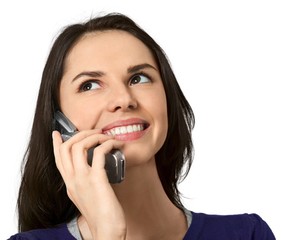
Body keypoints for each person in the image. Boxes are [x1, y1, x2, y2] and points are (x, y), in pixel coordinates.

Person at [9, 12, 275, 240]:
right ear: (60, 122)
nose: (124, 99)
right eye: (89, 85)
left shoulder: (246, 234)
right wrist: (107, 233)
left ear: (168, 99)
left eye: (139, 78)